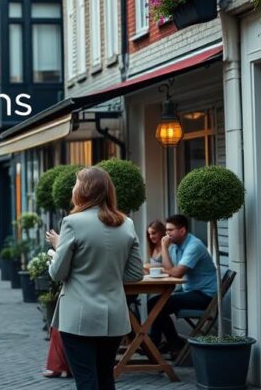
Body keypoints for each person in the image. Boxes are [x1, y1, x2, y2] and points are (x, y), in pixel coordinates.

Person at [45, 167, 143, 390]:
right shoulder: (126, 223)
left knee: (86, 380)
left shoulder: (72, 222)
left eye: (76, 184)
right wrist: (111, 273)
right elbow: (136, 273)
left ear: (85, 190)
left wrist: (57, 249)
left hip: (79, 317)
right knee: (106, 377)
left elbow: (58, 273)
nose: (73, 188)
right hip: (115, 316)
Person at [148, 214, 217, 357]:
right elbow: (170, 269)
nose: (167, 234)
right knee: (155, 303)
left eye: (170, 230)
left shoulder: (194, 246)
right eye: (166, 230)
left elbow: (176, 273)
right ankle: (171, 344)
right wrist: (166, 250)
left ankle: (159, 345)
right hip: (191, 291)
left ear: (182, 231)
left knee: (156, 304)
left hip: (205, 295)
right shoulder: (175, 246)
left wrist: (164, 248)